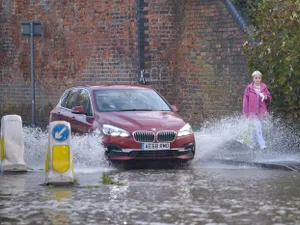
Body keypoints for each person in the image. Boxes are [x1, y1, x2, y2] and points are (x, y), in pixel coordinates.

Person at [242, 70, 272, 149]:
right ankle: (262, 144)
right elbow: (245, 102)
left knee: (253, 127)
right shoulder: (248, 89)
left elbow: (269, 98)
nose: (258, 79)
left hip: (261, 111)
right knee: (258, 126)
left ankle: (249, 142)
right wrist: (246, 113)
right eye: (256, 78)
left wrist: (266, 97)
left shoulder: (264, 88)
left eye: (259, 78)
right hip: (252, 112)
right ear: (253, 79)